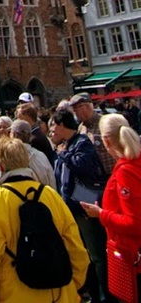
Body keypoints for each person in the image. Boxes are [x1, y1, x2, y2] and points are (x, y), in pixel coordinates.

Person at [0, 135, 89, 303]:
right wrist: (74, 284)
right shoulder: (50, 195)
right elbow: (76, 246)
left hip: (13, 293)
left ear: (1, 165)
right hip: (58, 292)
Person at [51, 108, 112, 303]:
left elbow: (84, 165)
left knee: (96, 256)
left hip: (84, 207)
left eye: (53, 127)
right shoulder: (67, 145)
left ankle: (105, 296)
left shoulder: (81, 142)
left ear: (61, 125)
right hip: (72, 207)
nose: (52, 132)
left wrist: (64, 155)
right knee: (84, 254)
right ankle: (92, 293)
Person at [80, 113, 141, 303]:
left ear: (106, 141)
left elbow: (134, 222)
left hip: (132, 258)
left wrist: (101, 214)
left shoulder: (126, 171)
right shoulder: (133, 163)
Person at [70, 93, 117, 178]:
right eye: (73, 109)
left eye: (77, 108)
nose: (75, 112)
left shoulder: (106, 123)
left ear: (87, 107)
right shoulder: (81, 127)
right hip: (93, 180)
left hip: (112, 176)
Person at [9, 118, 57, 189]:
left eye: (10, 132)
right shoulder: (41, 156)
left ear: (13, 134)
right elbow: (52, 182)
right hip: (44, 197)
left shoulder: (9, 158)